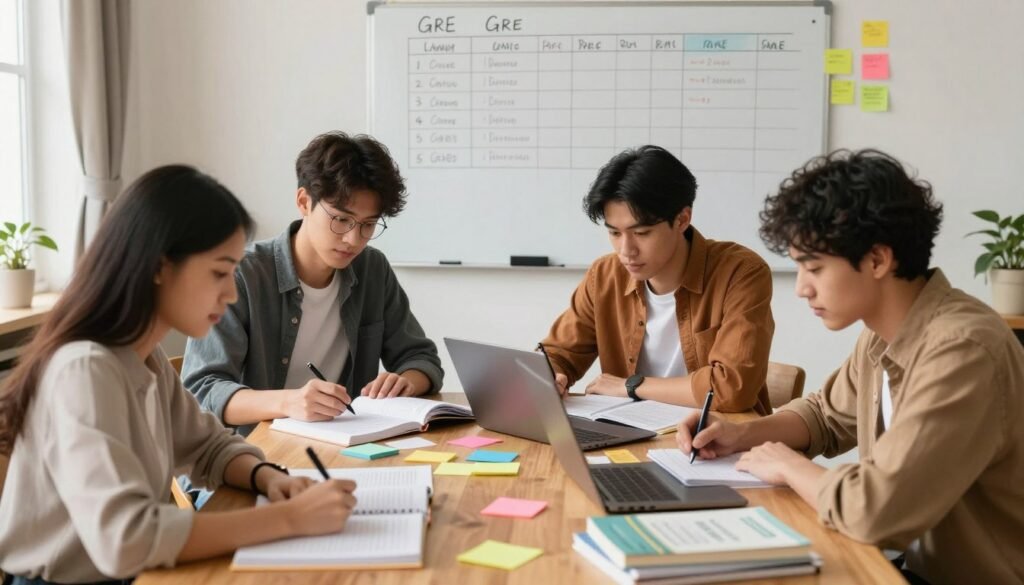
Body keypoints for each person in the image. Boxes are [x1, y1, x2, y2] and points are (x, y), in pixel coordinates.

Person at [678, 149, 1024, 584]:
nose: (802, 288)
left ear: (878, 260)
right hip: (895, 564)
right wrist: (741, 434)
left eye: (814, 267)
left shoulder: (962, 350)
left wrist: (789, 466)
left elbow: (875, 510)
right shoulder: (883, 333)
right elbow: (825, 415)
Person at [0, 166, 357, 584]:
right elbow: (126, 539)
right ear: (159, 266)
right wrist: (290, 519)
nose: (231, 293)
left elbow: (208, 449)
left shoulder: (143, 360)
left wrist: (267, 478)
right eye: (219, 272)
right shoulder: (85, 370)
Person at [183, 131, 444, 436]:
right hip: (249, 455)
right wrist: (289, 402)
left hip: (342, 446)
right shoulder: (242, 276)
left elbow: (421, 358)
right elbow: (201, 391)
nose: (353, 239)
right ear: (304, 202)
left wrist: (407, 380)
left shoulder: (372, 269)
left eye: (368, 224)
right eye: (341, 220)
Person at [541, 145, 775, 413]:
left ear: (682, 219)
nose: (626, 250)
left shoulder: (740, 272)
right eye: (614, 233)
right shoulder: (605, 276)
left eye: (641, 233)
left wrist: (632, 386)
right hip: (630, 434)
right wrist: (551, 373)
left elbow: (732, 388)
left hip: (718, 438)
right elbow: (558, 354)